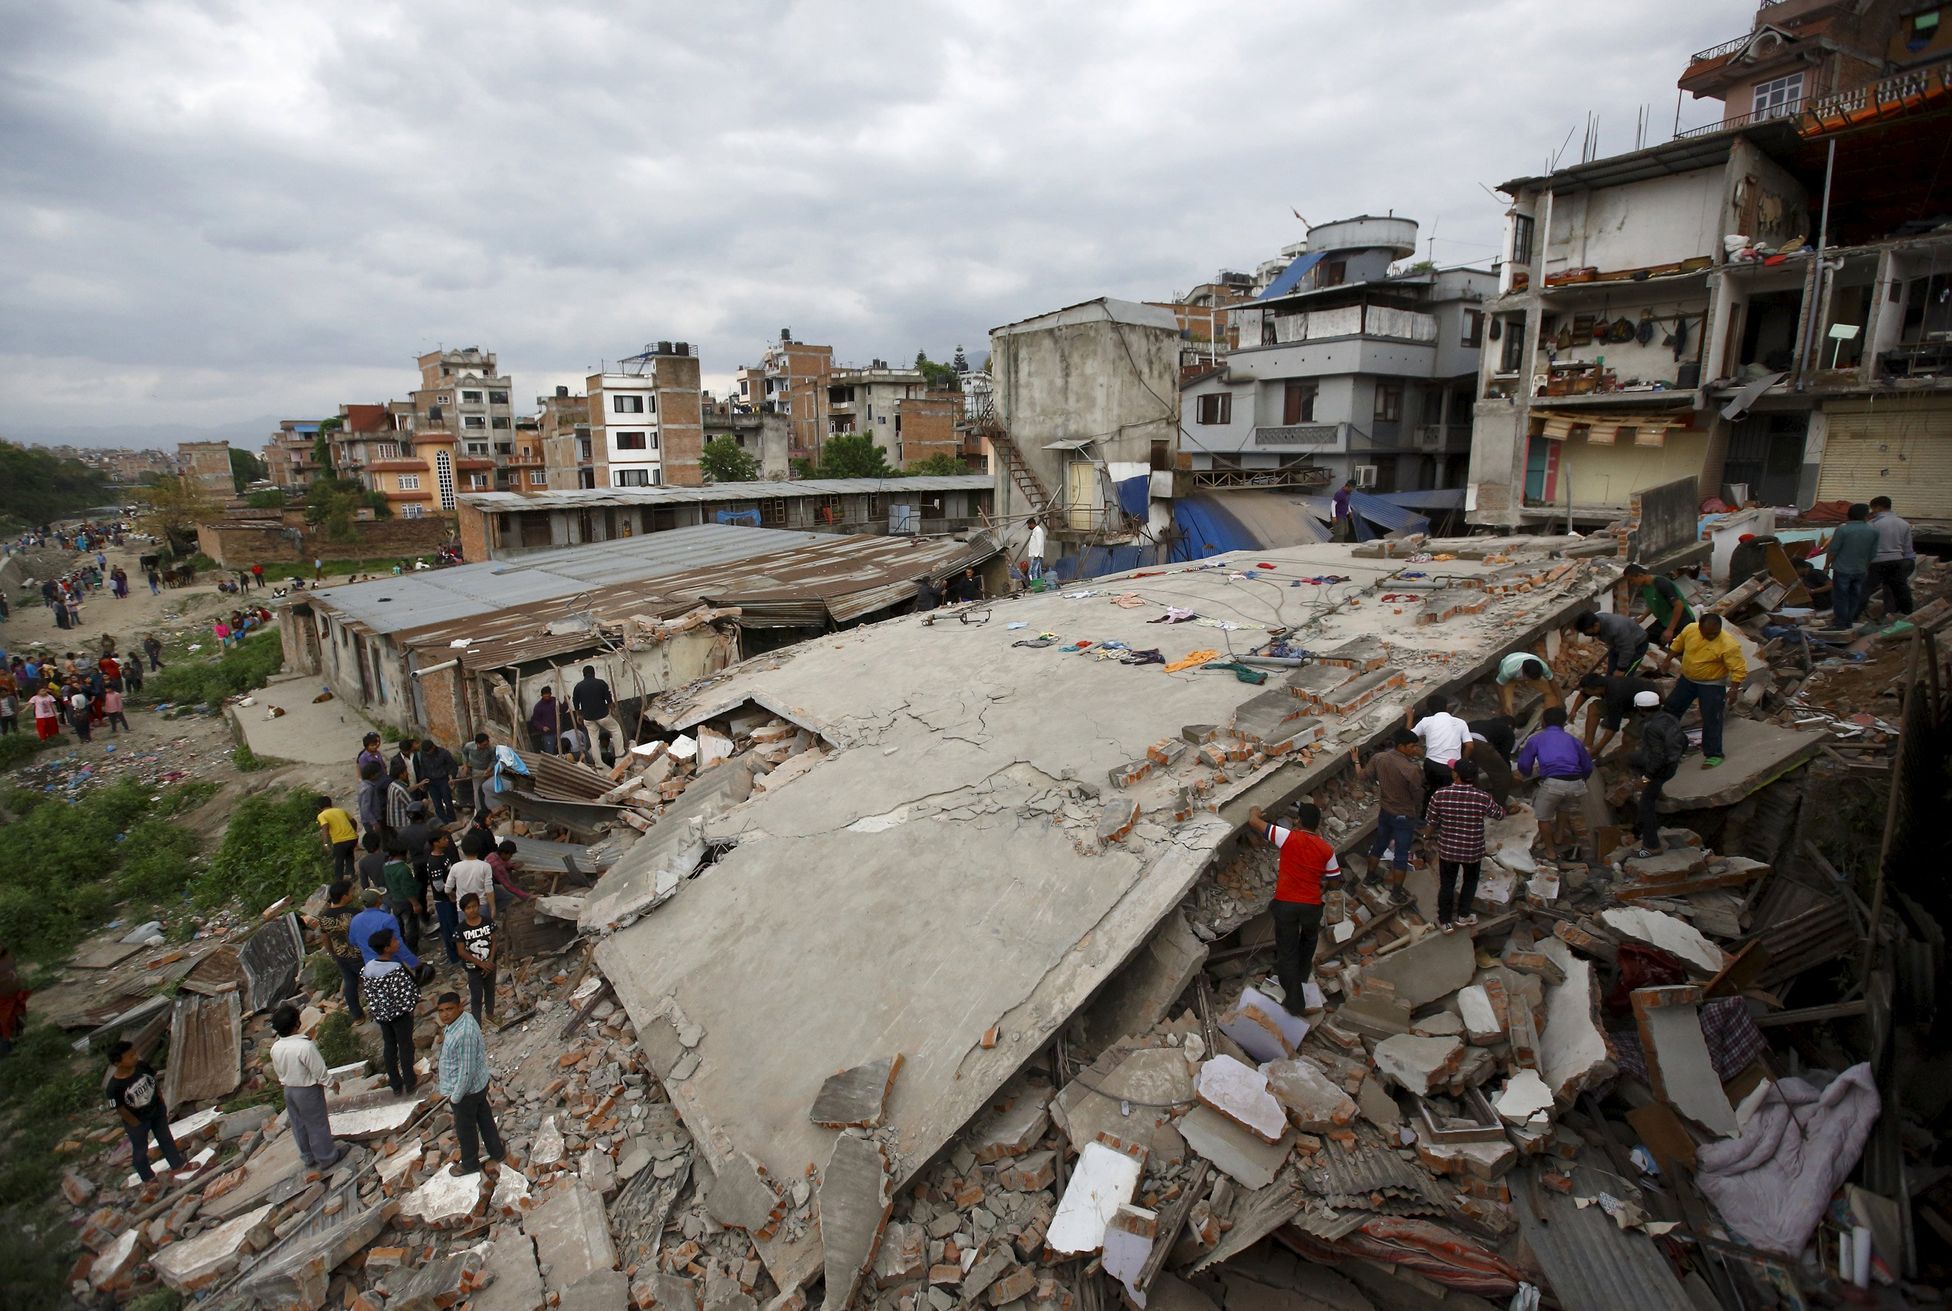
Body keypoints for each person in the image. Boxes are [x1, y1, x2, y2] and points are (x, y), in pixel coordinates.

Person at [1244, 802, 1340, 1012]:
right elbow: (1334, 881)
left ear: (1299, 821)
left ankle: (1295, 1002)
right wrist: (1320, 888)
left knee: (1287, 951)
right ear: (1317, 825)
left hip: (1287, 904)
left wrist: (1255, 810)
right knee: (1308, 943)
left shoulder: (1287, 837)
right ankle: (1301, 978)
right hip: (1312, 907)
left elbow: (1254, 822)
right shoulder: (1326, 849)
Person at [1423, 759, 1505, 934]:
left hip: (1448, 849)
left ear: (1455, 775)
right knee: (1470, 881)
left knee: (1447, 885)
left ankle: (1445, 921)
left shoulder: (1440, 794)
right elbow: (1499, 814)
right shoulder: (1482, 797)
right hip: (1472, 850)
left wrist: (1426, 836)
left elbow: (1431, 820)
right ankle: (1463, 915)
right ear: (1474, 777)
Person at [105, 1040, 196, 1194]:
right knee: (141, 1149)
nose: (135, 1057)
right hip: (137, 1120)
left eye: (135, 1053)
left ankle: (178, 1165)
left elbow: (154, 1081)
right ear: (117, 1063)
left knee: (165, 1138)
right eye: (130, 1056)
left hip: (156, 1110)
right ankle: (148, 1178)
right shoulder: (113, 1087)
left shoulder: (141, 1066)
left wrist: (161, 1100)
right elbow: (119, 1108)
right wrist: (134, 1122)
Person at [435, 990, 508, 1177]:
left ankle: (469, 1163)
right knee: (484, 1118)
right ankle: (497, 1152)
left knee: (465, 1129)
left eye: (449, 1009)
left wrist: (456, 1097)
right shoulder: (463, 1020)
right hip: (477, 1086)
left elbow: (466, 1070)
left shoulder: (463, 1034)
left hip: (466, 1091)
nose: (445, 1014)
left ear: (460, 1007)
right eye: (441, 1010)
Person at [1665, 613, 1747, 769]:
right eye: (1707, 633)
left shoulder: (1728, 644)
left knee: (1712, 718)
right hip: (1687, 681)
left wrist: (1734, 689)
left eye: (1715, 633)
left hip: (1712, 685)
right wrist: (1667, 660)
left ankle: (1714, 754)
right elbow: (1677, 645)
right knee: (1670, 710)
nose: (1711, 636)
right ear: (1700, 628)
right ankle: (1666, 744)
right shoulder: (1690, 629)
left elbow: (1738, 668)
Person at [1350, 731, 1423, 903]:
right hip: (1404, 816)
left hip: (1385, 811)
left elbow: (1361, 776)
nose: (1415, 749)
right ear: (1401, 747)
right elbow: (1417, 797)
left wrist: (1356, 760)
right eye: (1412, 746)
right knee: (1401, 855)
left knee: (1379, 844)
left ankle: (1369, 877)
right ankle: (1396, 894)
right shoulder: (1411, 770)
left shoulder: (1379, 758)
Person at [270, 1004, 343, 1172]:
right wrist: (332, 1084)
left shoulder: (276, 1047)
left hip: (289, 1089)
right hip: (307, 1090)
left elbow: (278, 1070)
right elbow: (318, 1070)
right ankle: (327, 1157)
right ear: (297, 1024)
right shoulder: (304, 1046)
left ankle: (308, 1156)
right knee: (317, 1123)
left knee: (298, 1124)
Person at [1515, 707, 1595, 858]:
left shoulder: (1537, 739)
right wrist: (1582, 779)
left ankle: (1550, 851)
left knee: (1543, 816)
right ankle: (1559, 835)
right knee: (1564, 806)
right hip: (1576, 783)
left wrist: (1525, 774)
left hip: (1554, 782)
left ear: (1543, 722)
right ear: (1564, 723)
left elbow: (1524, 764)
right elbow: (1587, 765)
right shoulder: (1573, 740)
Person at [1628, 690, 1689, 858]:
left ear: (1640, 709)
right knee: (1632, 758)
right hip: (1671, 764)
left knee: (1646, 804)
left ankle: (1651, 846)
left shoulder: (1651, 727)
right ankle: (1656, 792)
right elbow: (1684, 740)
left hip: (1660, 768)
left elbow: (1657, 756)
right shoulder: (1670, 718)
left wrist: (1646, 778)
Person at [359, 930, 420, 1097]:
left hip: (382, 1016)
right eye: (394, 941)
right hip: (400, 1015)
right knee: (406, 1046)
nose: (397, 942)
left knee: (390, 1046)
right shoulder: (395, 969)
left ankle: (395, 1083)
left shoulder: (368, 968)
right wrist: (411, 1006)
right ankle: (410, 1080)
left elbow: (370, 994)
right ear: (386, 948)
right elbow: (406, 993)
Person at [1570, 669, 1664, 756]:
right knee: (1594, 708)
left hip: (1645, 706)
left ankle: (1622, 763)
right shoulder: (1601, 682)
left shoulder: (1615, 696)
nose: (1585, 692)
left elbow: (1613, 728)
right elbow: (1583, 694)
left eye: (1588, 690)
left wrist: (1598, 749)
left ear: (1597, 689)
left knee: (1629, 738)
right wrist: (1573, 711)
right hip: (1628, 699)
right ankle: (1587, 745)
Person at [314, 880, 368, 1019]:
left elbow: (325, 937)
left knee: (350, 984)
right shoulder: (354, 913)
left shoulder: (324, 916)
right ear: (344, 896)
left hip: (340, 954)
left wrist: (333, 953)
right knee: (371, 980)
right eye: (351, 892)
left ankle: (357, 1016)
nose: (353, 894)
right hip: (359, 954)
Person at [1827, 503, 1879, 628]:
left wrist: (1826, 566)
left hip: (1842, 569)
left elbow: (1833, 550)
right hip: (1860, 569)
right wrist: (1865, 567)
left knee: (1840, 597)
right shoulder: (1873, 531)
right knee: (1854, 597)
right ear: (1865, 516)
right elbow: (1872, 554)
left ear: (1849, 514)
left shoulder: (1842, 530)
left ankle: (1839, 623)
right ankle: (1848, 622)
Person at [1406, 694, 1472, 789]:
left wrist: (1410, 717)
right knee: (1449, 793)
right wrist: (1462, 762)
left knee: (1433, 789)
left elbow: (1408, 737)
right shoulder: (1460, 722)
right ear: (1446, 707)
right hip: (1451, 767)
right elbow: (1469, 746)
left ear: (1429, 709)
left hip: (1431, 765)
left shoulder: (1426, 721)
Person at [349, 886, 423, 969]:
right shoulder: (387, 919)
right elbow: (398, 945)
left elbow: (353, 942)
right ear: (379, 900)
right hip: (391, 965)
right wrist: (415, 963)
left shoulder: (355, 920)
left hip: (371, 966)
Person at [1622, 561, 1693, 646]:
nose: (1631, 583)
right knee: (1645, 639)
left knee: (1675, 648)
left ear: (1640, 575)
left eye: (1632, 580)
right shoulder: (1645, 586)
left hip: (1681, 621)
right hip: (1664, 620)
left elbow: (1679, 606)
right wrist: (1642, 618)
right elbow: (1653, 603)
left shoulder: (1661, 583)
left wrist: (1670, 630)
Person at [1868, 496, 1915, 616]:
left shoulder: (1873, 524)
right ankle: (1907, 613)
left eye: (1873, 508)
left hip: (1878, 560)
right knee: (1900, 588)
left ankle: (1853, 616)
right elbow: (1907, 546)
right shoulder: (1903, 523)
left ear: (1878, 507)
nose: (1872, 511)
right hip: (1899, 559)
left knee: (1865, 588)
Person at [572, 664, 626, 762]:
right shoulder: (601, 683)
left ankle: (598, 762)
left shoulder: (578, 687)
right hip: (603, 715)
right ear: (594, 673)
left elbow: (575, 702)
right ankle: (620, 754)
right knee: (616, 729)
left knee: (593, 740)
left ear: (583, 674)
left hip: (588, 717)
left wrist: (578, 715)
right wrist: (613, 710)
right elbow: (608, 699)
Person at [457, 894, 497, 1022]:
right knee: (476, 996)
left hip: (490, 964)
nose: (472, 910)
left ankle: (490, 1015)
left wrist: (490, 961)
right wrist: (480, 964)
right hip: (473, 968)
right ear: (464, 911)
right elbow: (461, 951)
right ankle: (477, 1024)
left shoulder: (488, 922)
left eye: (474, 906)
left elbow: (495, 941)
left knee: (490, 990)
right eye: (468, 908)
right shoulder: (460, 929)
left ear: (479, 906)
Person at [1574, 609, 1652, 676]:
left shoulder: (1616, 628)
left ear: (1596, 625)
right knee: (1611, 675)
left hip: (1637, 646)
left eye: (1586, 632)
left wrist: (1621, 669)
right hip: (1617, 645)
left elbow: (1627, 649)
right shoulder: (1597, 620)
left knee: (1624, 676)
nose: (1585, 634)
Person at [426, 830, 462, 965]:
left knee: (453, 925)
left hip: (449, 898)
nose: (447, 840)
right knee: (449, 927)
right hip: (444, 900)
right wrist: (451, 893)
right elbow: (438, 885)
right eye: (443, 839)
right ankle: (455, 957)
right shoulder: (435, 862)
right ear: (436, 843)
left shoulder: (442, 856)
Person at [380, 847, 423, 955]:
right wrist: (415, 904)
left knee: (400, 926)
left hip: (395, 899)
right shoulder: (403, 869)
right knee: (411, 926)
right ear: (401, 854)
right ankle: (413, 950)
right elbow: (407, 889)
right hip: (406, 901)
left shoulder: (386, 866)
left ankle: (401, 947)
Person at [1493, 649, 1559, 717]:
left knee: (1551, 692)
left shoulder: (1543, 667)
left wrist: (1560, 700)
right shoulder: (1509, 671)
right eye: (1528, 678)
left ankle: (1548, 716)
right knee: (1507, 709)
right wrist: (1503, 705)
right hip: (1510, 679)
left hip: (1525, 671)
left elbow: (1552, 681)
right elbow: (1498, 684)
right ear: (1524, 673)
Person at [448, 848, 497, 922]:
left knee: (466, 931)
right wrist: (493, 908)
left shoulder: (455, 867)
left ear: (463, 851)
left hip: (463, 908)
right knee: (485, 931)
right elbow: (489, 890)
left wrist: (452, 895)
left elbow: (447, 889)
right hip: (481, 905)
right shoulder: (485, 866)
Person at [317, 795, 358, 880]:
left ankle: (339, 880)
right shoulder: (340, 810)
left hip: (340, 841)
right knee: (349, 855)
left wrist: (325, 843)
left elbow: (325, 826)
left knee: (339, 861)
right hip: (352, 838)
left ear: (319, 807)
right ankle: (351, 874)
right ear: (330, 804)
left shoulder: (322, 815)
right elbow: (353, 821)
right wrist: (353, 832)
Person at [460, 732, 496, 816]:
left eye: (487, 744)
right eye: (484, 745)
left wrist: (489, 769)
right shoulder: (469, 746)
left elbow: (494, 760)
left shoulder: (491, 749)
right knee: (477, 791)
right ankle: (480, 812)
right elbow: (464, 753)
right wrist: (465, 766)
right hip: (476, 771)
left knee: (490, 790)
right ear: (477, 744)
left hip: (489, 771)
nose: (486, 746)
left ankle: (492, 810)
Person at [528, 688, 562, 756]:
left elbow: (562, 709)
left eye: (548, 695)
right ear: (542, 695)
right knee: (550, 754)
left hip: (558, 731)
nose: (547, 697)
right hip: (548, 734)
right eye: (545, 696)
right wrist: (542, 727)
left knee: (562, 751)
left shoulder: (554, 701)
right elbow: (534, 720)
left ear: (550, 694)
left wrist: (566, 703)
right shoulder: (538, 707)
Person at [1025, 516, 1047, 582]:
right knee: (1037, 571)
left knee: (1033, 571)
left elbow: (1039, 543)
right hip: (1035, 555)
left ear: (1032, 524)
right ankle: (1039, 585)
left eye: (1029, 525)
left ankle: (1035, 585)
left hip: (1036, 555)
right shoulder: (1036, 531)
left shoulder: (1038, 531)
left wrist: (1036, 555)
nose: (1028, 527)